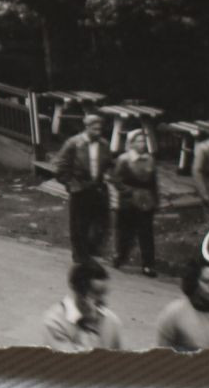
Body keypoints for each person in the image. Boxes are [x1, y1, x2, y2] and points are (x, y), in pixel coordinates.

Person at [53, 112, 114, 263]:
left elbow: (109, 164)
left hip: (98, 188)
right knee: (79, 223)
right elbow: (60, 167)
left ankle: (92, 250)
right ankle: (80, 255)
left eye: (100, 129)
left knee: (101, 222)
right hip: (80, 187)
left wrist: (109, 175)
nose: (98, 132)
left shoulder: (104, 144)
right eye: (94, 129)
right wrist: (71, 184)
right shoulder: (73, 143)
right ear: (86, 127)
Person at [41, 260, 124, 351]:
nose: (103, 300)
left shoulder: (111, 321)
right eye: (97, 293)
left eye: (104, 293)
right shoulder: (55, 322)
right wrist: (90, 325)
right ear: (79, 293)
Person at [109, 127, 159, 276]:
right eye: (138, 141)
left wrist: (155, 199)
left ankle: (148, 264)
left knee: (146, 233)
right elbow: (116, 179)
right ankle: (120, 255)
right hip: (128, 200)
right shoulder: (124, 159)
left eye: (144, 141)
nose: (142, 144)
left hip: (146, 200)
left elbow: (154, 182)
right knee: (125, 231)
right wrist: (128, 192)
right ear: (131, 143)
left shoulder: (150, 159)